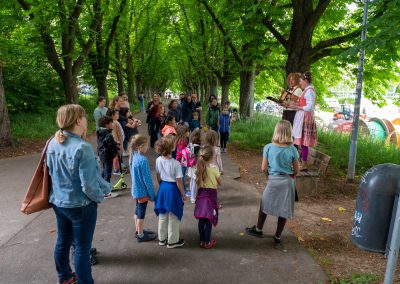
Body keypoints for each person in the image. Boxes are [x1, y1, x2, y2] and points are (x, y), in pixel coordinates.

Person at [47, 104, 110, 284]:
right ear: (77, 120)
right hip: (80, 206)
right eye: (84, 116)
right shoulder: (82, 147)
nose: (86, 120)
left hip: (59, 203)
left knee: (63, 241)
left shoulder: (52, 142)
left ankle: (65, 277)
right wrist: (100, 198)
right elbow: (89, 186)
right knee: (82, 248)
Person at [245, 120, 299, 244]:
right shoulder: (293, 149)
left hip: (273, 180)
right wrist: (291, 174)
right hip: (287, 181)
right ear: (290, 132)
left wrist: (269, 176)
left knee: (264, 203)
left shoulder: (268, 147)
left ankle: (258, 229)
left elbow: (264, 168)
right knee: (284, 209)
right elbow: (296, 170)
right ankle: (277, 237)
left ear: (276, 131)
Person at [154, 136, 187, 248]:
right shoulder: (176, 163)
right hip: (173, 190)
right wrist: (183, 194)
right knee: (173, 216)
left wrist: (161, 185)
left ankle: (162, 239)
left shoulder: (158, 160)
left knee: (163, 214)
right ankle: (172, 241)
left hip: (163, 188)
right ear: (171, 148)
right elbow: (179, 181)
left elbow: (158, 175)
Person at [287, 71, 318, 171]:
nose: (300, 83)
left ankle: (303, 164)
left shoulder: (309, 91)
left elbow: (309, 107)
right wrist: (294, 106)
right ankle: (300, 162)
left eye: (301, 81)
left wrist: (297, 106)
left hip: (305, 118)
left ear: (306, 80)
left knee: (304, 142)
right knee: (300, 141)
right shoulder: (307, 90)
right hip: (302, 116)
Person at [129, 134, 157, 242]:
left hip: (135, 190)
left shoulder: (133, 156)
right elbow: (147, 181)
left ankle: (138, 230)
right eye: (146, 146)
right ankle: (140, 235)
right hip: (142, 192)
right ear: (140, 147)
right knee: (141, 213)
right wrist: (152, 195)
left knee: (137, 211)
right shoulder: (143, 160)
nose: (147, 148)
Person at [194, 145, 222, 249]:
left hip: (201, 196)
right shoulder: (214, 170)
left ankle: (202, 240)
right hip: (210, 197)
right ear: (211, 157)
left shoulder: (199, 168)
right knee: (209, 220)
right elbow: (220, 183)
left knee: (201, 220)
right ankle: (207, 242)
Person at [96, 116, 119, 183]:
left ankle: (101, 183)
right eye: (111, 123)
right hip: (107, 155)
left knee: (105, 170)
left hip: (102, 154)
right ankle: (106, 189)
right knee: (108, 172)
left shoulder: (100, 132)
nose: (112, 125)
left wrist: (115, 143)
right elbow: (111, 146)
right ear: (107, 125)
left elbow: (104, 143)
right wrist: (116, 150)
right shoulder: (108, 134)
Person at [106, 109, 124, 175]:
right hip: (118, 142)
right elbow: (114, 134)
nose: (118, 115)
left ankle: (118, 167)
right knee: (116, 156)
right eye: (117, 114)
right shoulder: (113, 123)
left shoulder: (116, 121)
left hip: (120, 141)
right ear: (112, 115)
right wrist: (117, 143)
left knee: (119, 155)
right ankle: (116, 169)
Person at [186, 129, 201, 203]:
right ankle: (193, 197)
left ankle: (192, 195)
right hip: (196, 166)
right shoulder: (198, 147)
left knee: (192, 180)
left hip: (190, 166)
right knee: (195, 181)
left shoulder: (190, 145)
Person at [175, 125, 190, 197]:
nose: (189, 132)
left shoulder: (180, 140)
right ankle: (184, 191)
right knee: (182, 176)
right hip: (182, 161)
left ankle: (183, 189)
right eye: (187, 131)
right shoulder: (182, 141)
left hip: (181, 161)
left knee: (182, 176)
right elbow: (180, 153)